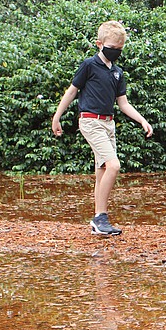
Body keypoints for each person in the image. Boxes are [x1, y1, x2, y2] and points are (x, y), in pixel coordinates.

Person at [52, 20, 154, 236]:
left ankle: (98, 220)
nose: (116, 52)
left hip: (109, 123)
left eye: (119, 49)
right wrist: (57, 116)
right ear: (99, 44)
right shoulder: (89, 65)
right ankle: (100, 217)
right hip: (90, 121)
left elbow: (123, 103)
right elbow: (72, 91)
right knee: (113, 165)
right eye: (112, 48)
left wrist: (142, 120)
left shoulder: (117, 73)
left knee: (102, 171)